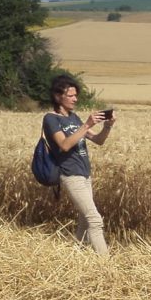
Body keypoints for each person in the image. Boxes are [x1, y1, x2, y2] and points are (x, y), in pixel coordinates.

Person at [42, 74, 115, 255]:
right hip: (70, 175)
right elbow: (64, 145)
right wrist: (87, 124)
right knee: (95, 220)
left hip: (85, 174)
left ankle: (76, 256)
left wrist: (107, 126)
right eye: (71, 95)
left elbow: (98, 140)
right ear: (58, 97)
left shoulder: (74, 117)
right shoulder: (51, 119)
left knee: (84, 220)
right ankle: (106, 266)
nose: (75, 99)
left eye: (76, 95)